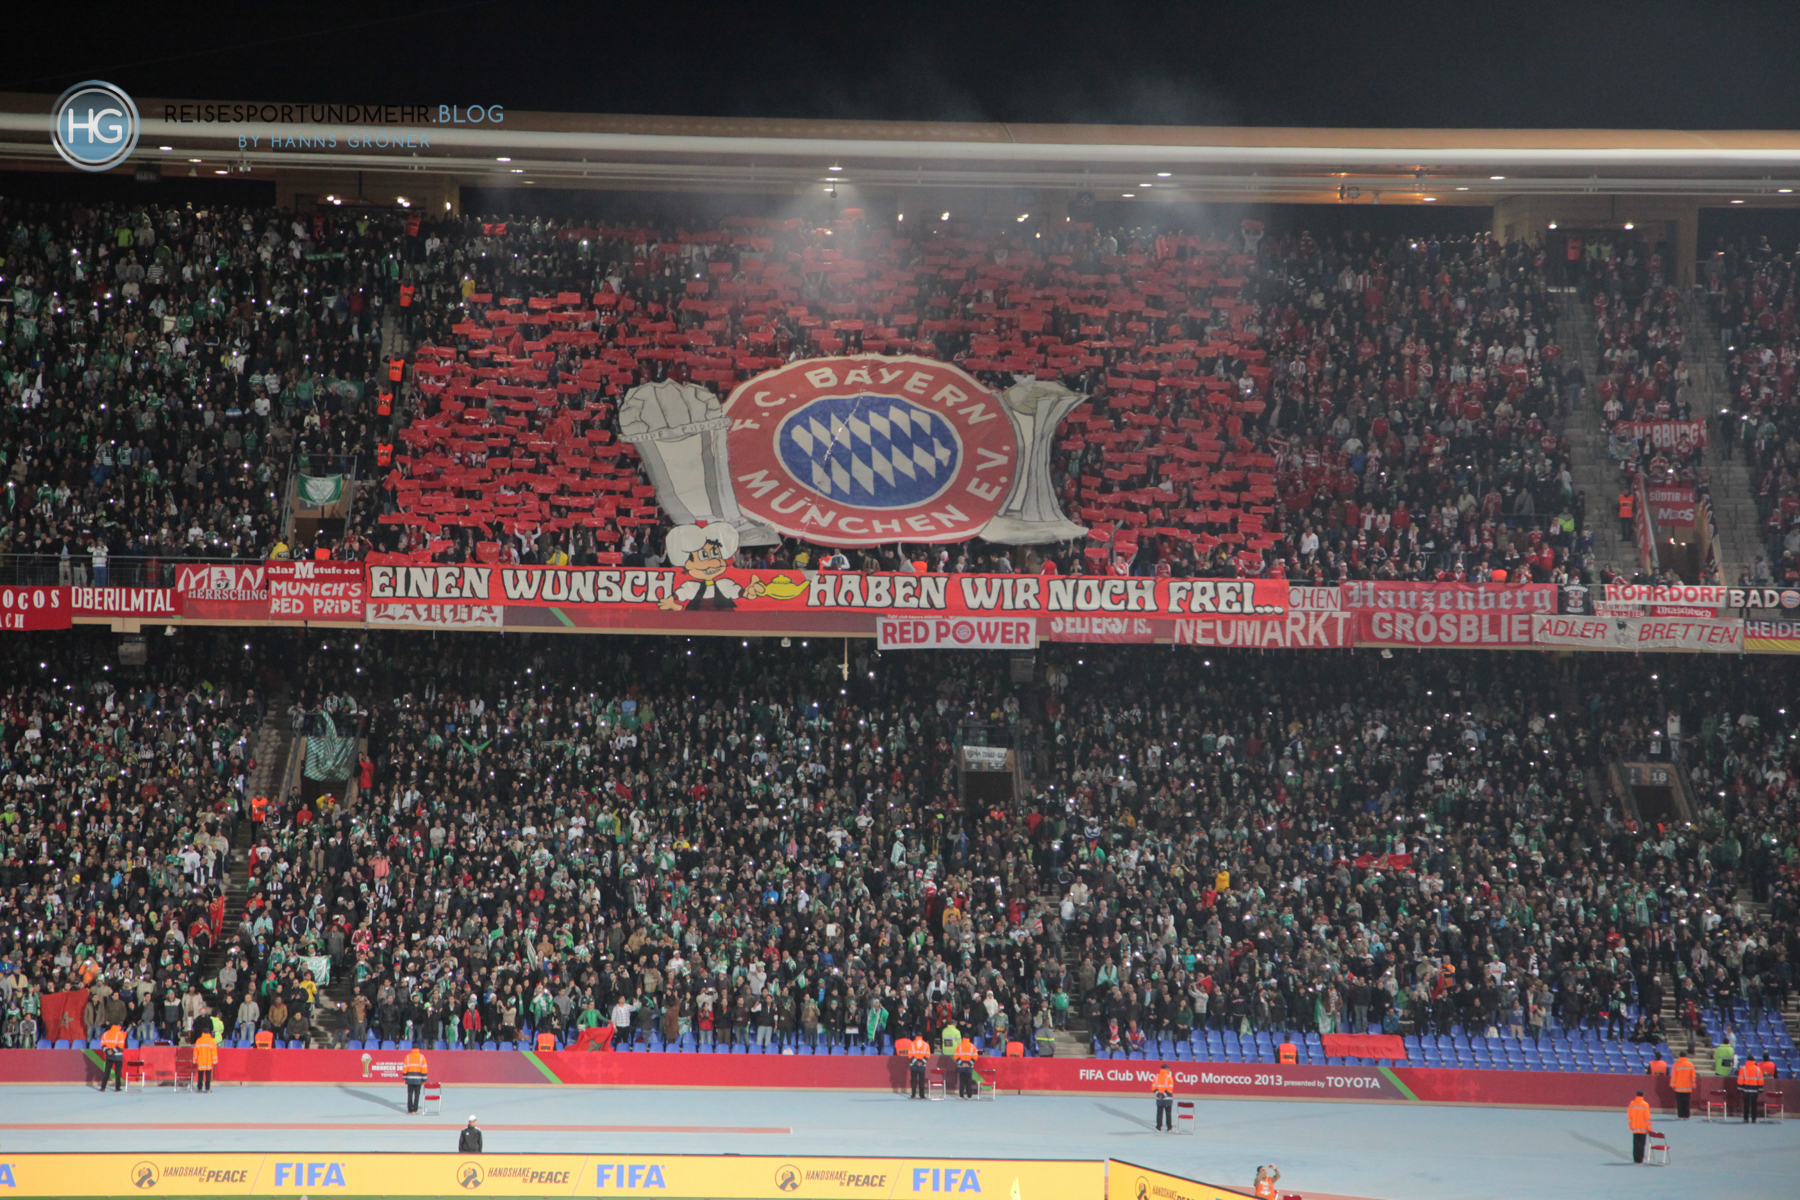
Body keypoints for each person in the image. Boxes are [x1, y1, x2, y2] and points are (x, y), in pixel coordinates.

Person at [99, 1023, 127, 1093]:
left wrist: (108, 1051)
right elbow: (121, 1045)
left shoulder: (106, 1033)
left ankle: (103, 1087)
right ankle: (117, 1087)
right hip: (118, 1056)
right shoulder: (120, 1034)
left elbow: (102, 1044)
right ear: (118, 1026)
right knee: (118, 1072)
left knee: (107, 1072)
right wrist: (113, 1051)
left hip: (109, 1056)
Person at [1628, 1091, 1653, 1163]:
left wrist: (1630, 1125)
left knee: (1635, 1143)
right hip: (1643, 1128)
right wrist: (1649, 1127)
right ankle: (1640, 1159)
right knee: (1641, 1144)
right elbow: (1647, 1117)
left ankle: (1635, 1158)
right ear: (1643, 1095)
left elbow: (1629, 1115)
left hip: (1635, 1127)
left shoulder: (1632, 1103)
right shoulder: (1645, 1105)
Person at [403, 1045, 429, 1114]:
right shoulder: (422, 1057)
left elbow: (405, 1068)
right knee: (417, 1094)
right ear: (418, 1049)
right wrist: (424, 1079)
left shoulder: (408, 1057)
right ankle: (415, 1109)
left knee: (410, 1094)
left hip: (410, 1079)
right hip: (418, 1079)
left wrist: (405, 1078)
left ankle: (409, 1110)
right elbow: (424, 1068)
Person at [1736, 1057, 1763, 1123]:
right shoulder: (1757, 1069)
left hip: (1746, 1089)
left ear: (1747, 1060)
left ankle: (1746, 1118)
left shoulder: (1743, 1068)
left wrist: (1740, 1088)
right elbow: (1760, 1079)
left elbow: (1740, 1079)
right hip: (1755, 1089)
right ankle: (1754, 1118)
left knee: (1746, 1104)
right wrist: (1760, 1089)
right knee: (1754, 1104)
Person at [1670, 1054, 1696, 1120]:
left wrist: (1672, 1085)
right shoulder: (1690, 1064)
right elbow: (1693, 1076)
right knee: (1686, 1102)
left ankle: (1680, 1115)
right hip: (1688, 1087)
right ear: (1685, 1056)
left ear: (1680, 1056)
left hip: (1679, 1087)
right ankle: (1686, 1115)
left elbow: (1674, 1076)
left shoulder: (1676, 1064)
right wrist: (1693, 1085)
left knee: (1680, 1102)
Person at [1152, 1062, 1175, 1132]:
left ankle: (1158, 1128)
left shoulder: (1156, 1077)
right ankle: (1169, 1128)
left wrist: (1159, 1094)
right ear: (1165, 1069)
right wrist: (1164, 1095)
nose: (1169, 1070)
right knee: (1168, 1113)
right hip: (1167, 1098)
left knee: (1159, 1113)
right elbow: (1170, 1088)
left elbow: (1153, 1087)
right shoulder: (1169, 1077)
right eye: (1168, 1068)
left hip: (1160, 1099)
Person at [192, 1029, 217, 1093]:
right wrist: (215, 1060)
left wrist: (194, 1060)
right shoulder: (212, 1040)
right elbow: (214, 1052)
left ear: (202, 1033)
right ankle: (207, 1089)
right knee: (208, 1076)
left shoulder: (199, 1040)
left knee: (200, 1076)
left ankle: (199, 1089)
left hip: (201, 1061)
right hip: (208, 1061)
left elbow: (195, 1051)